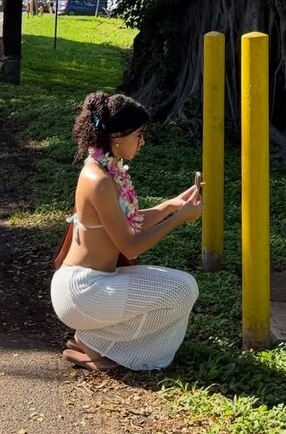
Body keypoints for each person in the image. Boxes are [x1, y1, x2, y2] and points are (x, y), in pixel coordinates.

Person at [51, 90, 202, 372]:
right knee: (181, 290)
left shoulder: (107, 170)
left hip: (98, 283)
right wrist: (179, 219)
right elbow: (130, 246)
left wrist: (171, 205)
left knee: (185, 285)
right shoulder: (98, 179)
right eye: (139, 135)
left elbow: (127, 222)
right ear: (116, 136)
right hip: (82, 291)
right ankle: (93, 342)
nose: (143, 142)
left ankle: (95, 342)